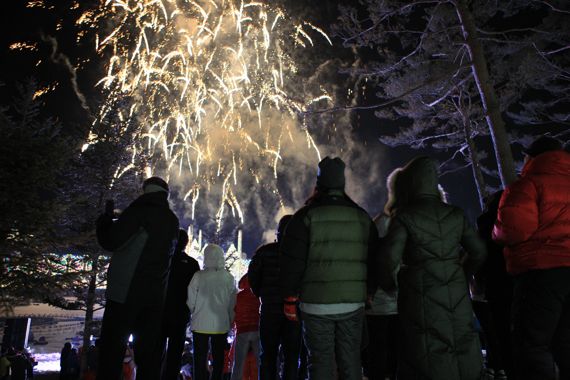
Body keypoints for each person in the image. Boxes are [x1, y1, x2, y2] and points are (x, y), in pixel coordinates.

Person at [378, 156, 487, 380]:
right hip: (456, 295)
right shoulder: (455, 214)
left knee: (425, 351)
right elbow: (479, 251)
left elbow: (389, 260)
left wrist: (391, 286)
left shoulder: (405, 217)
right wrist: (462, 276)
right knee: (461, 345)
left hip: (419, 295)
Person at [279, 156, 379, 380]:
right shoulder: (361, 217)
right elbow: (374, 259)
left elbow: (291, 263)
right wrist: (369, 292)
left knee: (320, 362)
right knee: (351, 360)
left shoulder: (305, 217)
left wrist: (289, 298)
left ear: (319, 183)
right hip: (352, 303)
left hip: (316, 305)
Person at [492, 136, 570, 380]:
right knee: (566, 343)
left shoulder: (527, 185)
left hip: (541, 273)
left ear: (532, 157)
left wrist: (495, 230)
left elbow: (513, 231)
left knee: (532, 344)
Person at [96, 176, 180, 380]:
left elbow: (111, 240)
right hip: (154, 297)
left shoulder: (139, 211)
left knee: (112, 350)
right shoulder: (172, 220)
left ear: (145, 190)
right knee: (148, 354)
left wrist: (104, 222)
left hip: (126, 292)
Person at [248, 214, 302, 380]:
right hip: (293, 312)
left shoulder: (263, 253)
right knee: (291, 357)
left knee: (268, 356)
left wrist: (263, 294)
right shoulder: (300, 254)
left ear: (277, 234)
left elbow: (253, 280)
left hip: (269, 310)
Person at [365, 168, 402, 380]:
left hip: (381, 301)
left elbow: (371, 261)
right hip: (396, 300)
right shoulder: (403, 221)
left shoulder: (380, 222)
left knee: (379, 355)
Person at [474, 190, 512, 380]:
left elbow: (479, 253)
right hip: (512, 277)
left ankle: (497, 365)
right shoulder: (511, 221)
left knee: (494, 329)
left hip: (491, 282)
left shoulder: (484, 223)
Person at [187, 243, 237, 380]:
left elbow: (190, 298)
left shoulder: (198, 276)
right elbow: (233, 302)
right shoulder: (228, 278)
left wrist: (194, 311)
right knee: (219, 358)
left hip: (200, 323)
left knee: (199, 357)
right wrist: (230, 318)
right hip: (220, 324)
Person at [161, 229, 200, 380]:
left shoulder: (163, 260)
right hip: (181, 314)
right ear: (186, 243)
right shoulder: (192, 264)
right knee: (175, 353)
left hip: (161, 312)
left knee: (157, 350)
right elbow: (197, 291)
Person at [230, 274, 260, 380]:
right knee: (260, 363)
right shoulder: (259, 295)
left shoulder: (238, 297)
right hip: (257, 330)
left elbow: (233, 315)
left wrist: (233, 325)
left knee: (238, 364)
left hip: (242, 331)